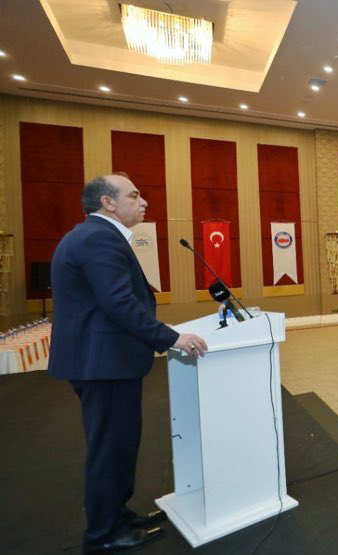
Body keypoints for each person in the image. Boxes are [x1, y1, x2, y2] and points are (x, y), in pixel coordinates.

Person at [49, 174, 209, 552]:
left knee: (119, 445)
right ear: (108, 202)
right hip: (104, 364)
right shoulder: (99, 239)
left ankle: (117, 514)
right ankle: (104, 533)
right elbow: (119, 303)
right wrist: (171, 338)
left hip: (103, 361)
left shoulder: (91, 235)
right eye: (134, 196)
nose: (144, 202)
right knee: (110, 449)